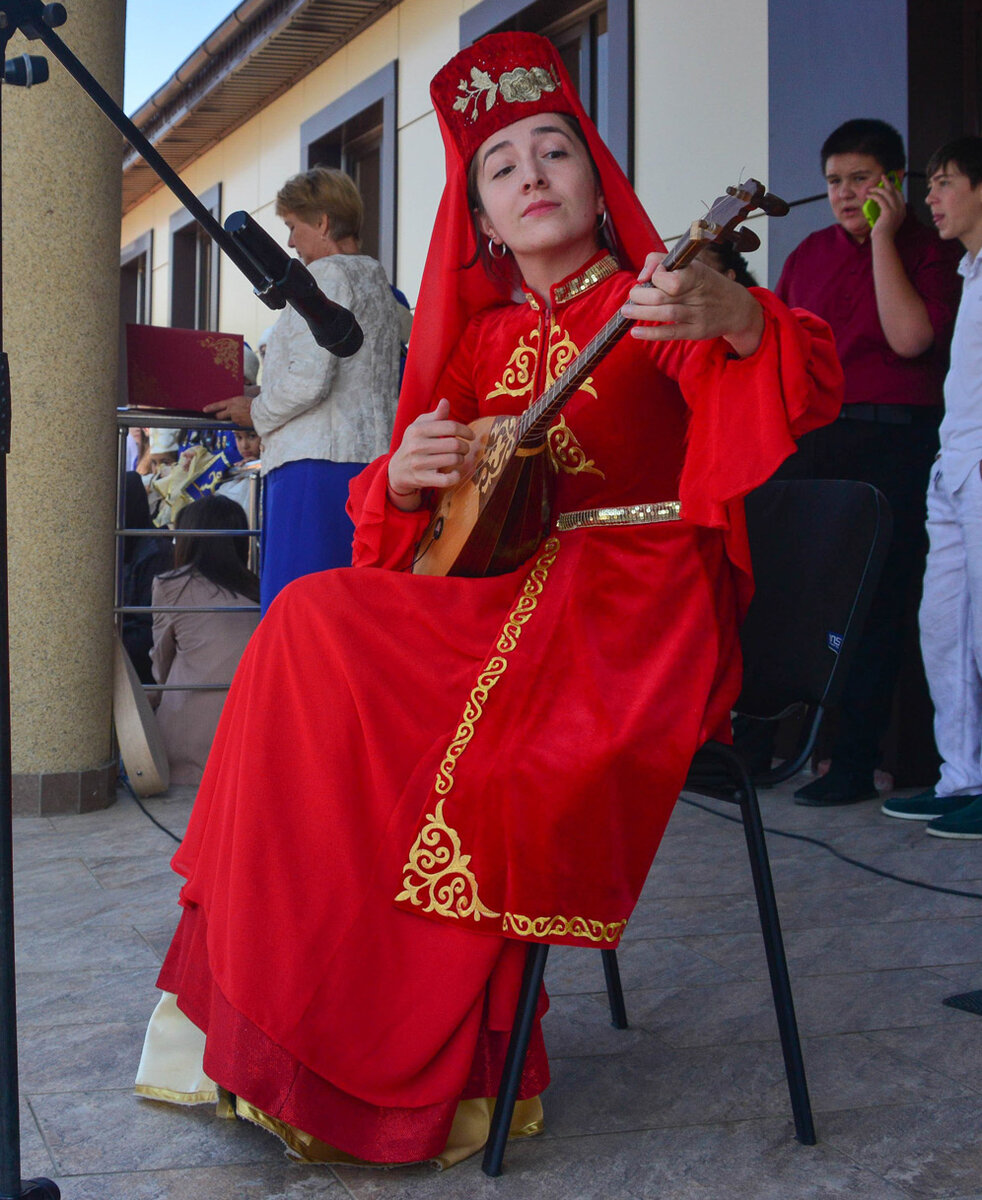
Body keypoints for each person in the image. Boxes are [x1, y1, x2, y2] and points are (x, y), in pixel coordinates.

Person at [135, 32, 841, 1166]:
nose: (529, 174)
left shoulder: (657, 297)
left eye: (553, 149)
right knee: (306, 630)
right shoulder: (483, 340)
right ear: (483, 221)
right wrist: (405, 472)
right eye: (500, 166)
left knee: (366, 680)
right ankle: (278, 1023)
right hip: (512, 596)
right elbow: (409, 517)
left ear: (596, 181)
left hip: (632, 613)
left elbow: (778, 378)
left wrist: (737, 318)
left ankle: (433, 1070)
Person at [774, 118, 961, 807]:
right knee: (810, 595)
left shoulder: (927, 247)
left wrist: (883, 235)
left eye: (860, 180)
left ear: (893, 179)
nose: (845, 195)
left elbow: (909, 339)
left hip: (896, 438)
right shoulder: (809, 255)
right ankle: (800, 750)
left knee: (881, 601)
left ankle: (858, 760)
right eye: (834, 182)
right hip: (817, 438)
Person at [205, 168, 401, 614]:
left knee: (299, 609)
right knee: (350, 606)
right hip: (369, 464)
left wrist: (254, 410)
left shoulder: (326, 276)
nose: (290, 243)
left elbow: (311, 379)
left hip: (312, 466)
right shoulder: (377, 280)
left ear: (323, 223)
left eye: (293, 226)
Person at [882, 137, 982, 838]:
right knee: (944, 627)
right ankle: (961, 778)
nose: (932, 199)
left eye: (945, 183)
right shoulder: (970, 269)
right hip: (952, 470)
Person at [149, 496, 260, 785]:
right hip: (250, 734)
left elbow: (161, 661)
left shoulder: (171, 584)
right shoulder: (260, 588)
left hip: (188, 739)